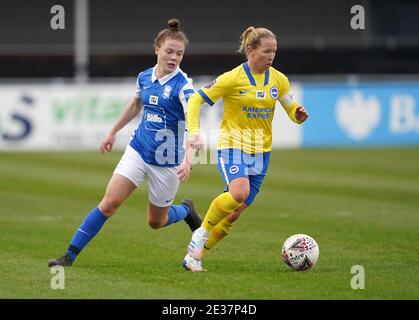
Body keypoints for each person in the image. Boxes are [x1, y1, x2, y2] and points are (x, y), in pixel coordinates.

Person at [48, 18, 202, 267]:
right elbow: (135, 105)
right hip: (138, 150)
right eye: (169, 51)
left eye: (180, 53)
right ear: (157, 50)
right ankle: (69, 256)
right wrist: (112, 132)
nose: (174, 57)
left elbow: (192, 123)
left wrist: (188, 159)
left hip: (165, 161)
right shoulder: (145, 77)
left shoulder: (184, 88)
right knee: (109, 203)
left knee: (156, 222)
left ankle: (185, 210)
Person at [181, 26, 309, 271]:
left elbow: (291, 107)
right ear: (250, 50)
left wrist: (298, 114)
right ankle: (201, 233)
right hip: (233, 144)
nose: (271, 56)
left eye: (274, 51)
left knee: (233, 214)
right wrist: (194, 131)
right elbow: (196, 99)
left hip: (262, 152)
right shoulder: (232, 78)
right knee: (239, 192)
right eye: (266, 51)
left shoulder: (278, 79)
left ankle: (194, 257)